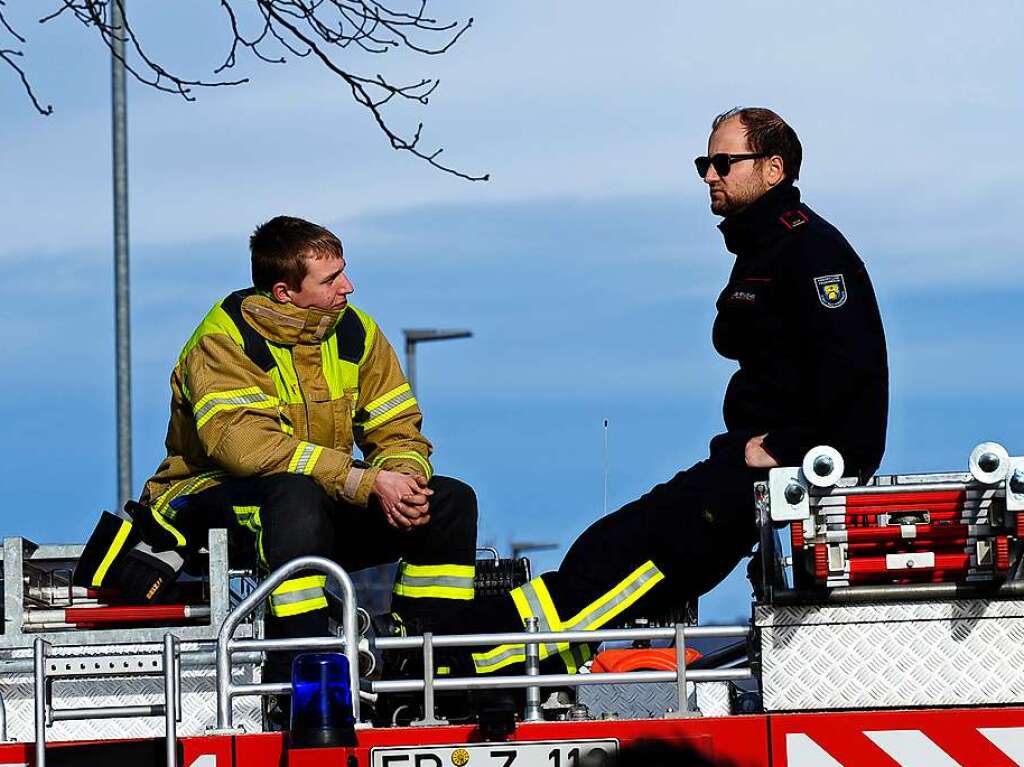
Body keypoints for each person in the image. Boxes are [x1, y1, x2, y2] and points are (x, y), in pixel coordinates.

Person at [441, 106, 889, 675]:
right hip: (744, 464)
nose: (709, 175)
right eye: (705, 162)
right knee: (606, 549)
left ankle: (465, 668)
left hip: (772, 475)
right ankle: (509, 669)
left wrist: (787, 448)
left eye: (724, 162)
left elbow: (857, 382)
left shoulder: (814, 252)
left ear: (773, 169)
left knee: (626, 564)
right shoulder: (766, 249)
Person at [74, 215, 478, 682]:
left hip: (318, 495)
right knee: (294, 497)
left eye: (344, 270)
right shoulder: (222, 341)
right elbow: (246, 449)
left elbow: (397, 425)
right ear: (284, 291)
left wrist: (403, 479)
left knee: (449, 502)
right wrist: (365, 481)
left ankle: (423, 662)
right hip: (208, 499)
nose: (349, 286)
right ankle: (305, 669)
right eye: (331, 279)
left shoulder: (357, 332)